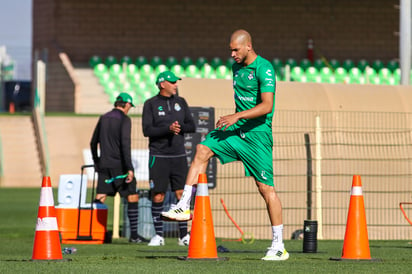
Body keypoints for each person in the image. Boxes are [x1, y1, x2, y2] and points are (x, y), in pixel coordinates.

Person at [161, 29, 289, 260]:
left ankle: (278, 245)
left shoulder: (265, 68)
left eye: (235, 49)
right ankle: (183, 205)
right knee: (202, 149)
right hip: (236, 131)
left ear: (248, 46)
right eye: (230, 49)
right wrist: (234, 120)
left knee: (266, 190)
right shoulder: (236, 68)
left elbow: (267, 106)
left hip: (257, 136)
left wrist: (236, 116)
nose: (231, 54)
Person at [142, 71, 196, 246]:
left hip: (179, 156)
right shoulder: (150, 104)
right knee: (158, 195)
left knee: (181, 195)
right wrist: (168, 129)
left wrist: (178, 128)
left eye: (176, 82)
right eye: (172, 82)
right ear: (162, 84)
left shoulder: (181, 102)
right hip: (158, 156)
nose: (176, 84)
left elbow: (192, 126)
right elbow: (147, 130)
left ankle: (183, 236)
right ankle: (158, 236)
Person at [90, 92, 146, 243]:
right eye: (130, 106)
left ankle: (96, 233)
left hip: (104, 165)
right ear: (126, 104)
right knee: (132, 195)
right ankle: (134, 236)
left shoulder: (104, 117)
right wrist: (130, 168)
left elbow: (93, 142)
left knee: (100, 197)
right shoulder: (124, 120)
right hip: (120, 166)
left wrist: (97, 162)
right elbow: (125, 144)